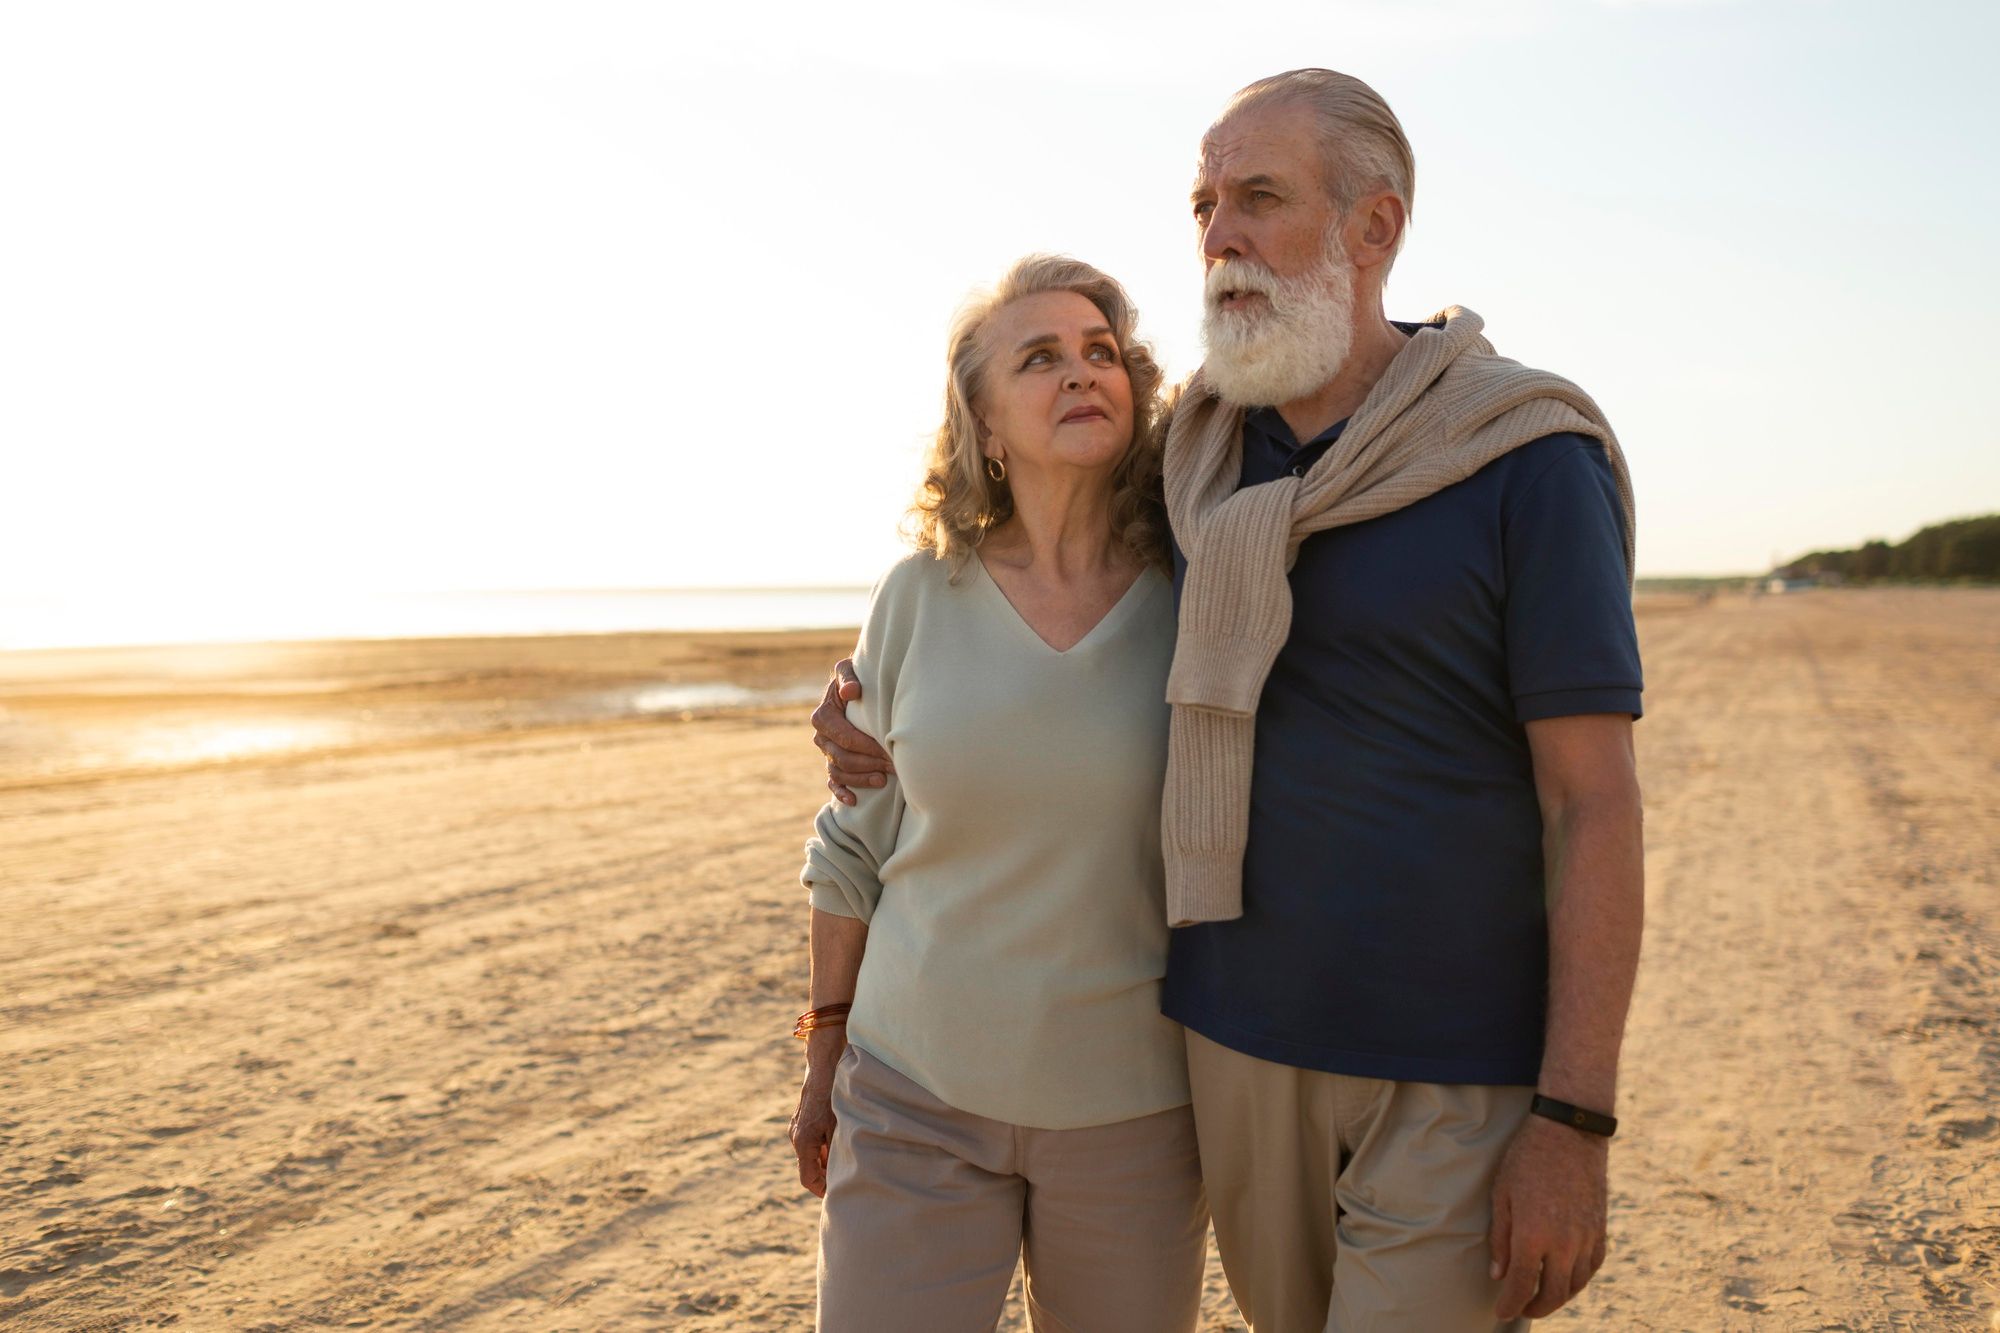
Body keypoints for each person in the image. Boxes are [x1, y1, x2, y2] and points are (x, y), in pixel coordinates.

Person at [816, 69, 1645, 1332]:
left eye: (1258, 197)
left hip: (1444, 1060)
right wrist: (859, 715)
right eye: (1203, 204)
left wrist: (1573, 1118)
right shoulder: (1204, 458)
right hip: (1232, 1056)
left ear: (1375, 226)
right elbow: (1009, 612)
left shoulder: (1519, 456)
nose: (1218, 236)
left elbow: (1592, 801)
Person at [790, 254, 1208, 1332]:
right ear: (982, 421)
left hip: (1137, 1111)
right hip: (911, 1094)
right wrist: (826, 1046)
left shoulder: (1201, 590)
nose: (1080, 373)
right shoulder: (918, 593)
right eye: (1039, 358)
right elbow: (854, 841)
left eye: (1099, 352)